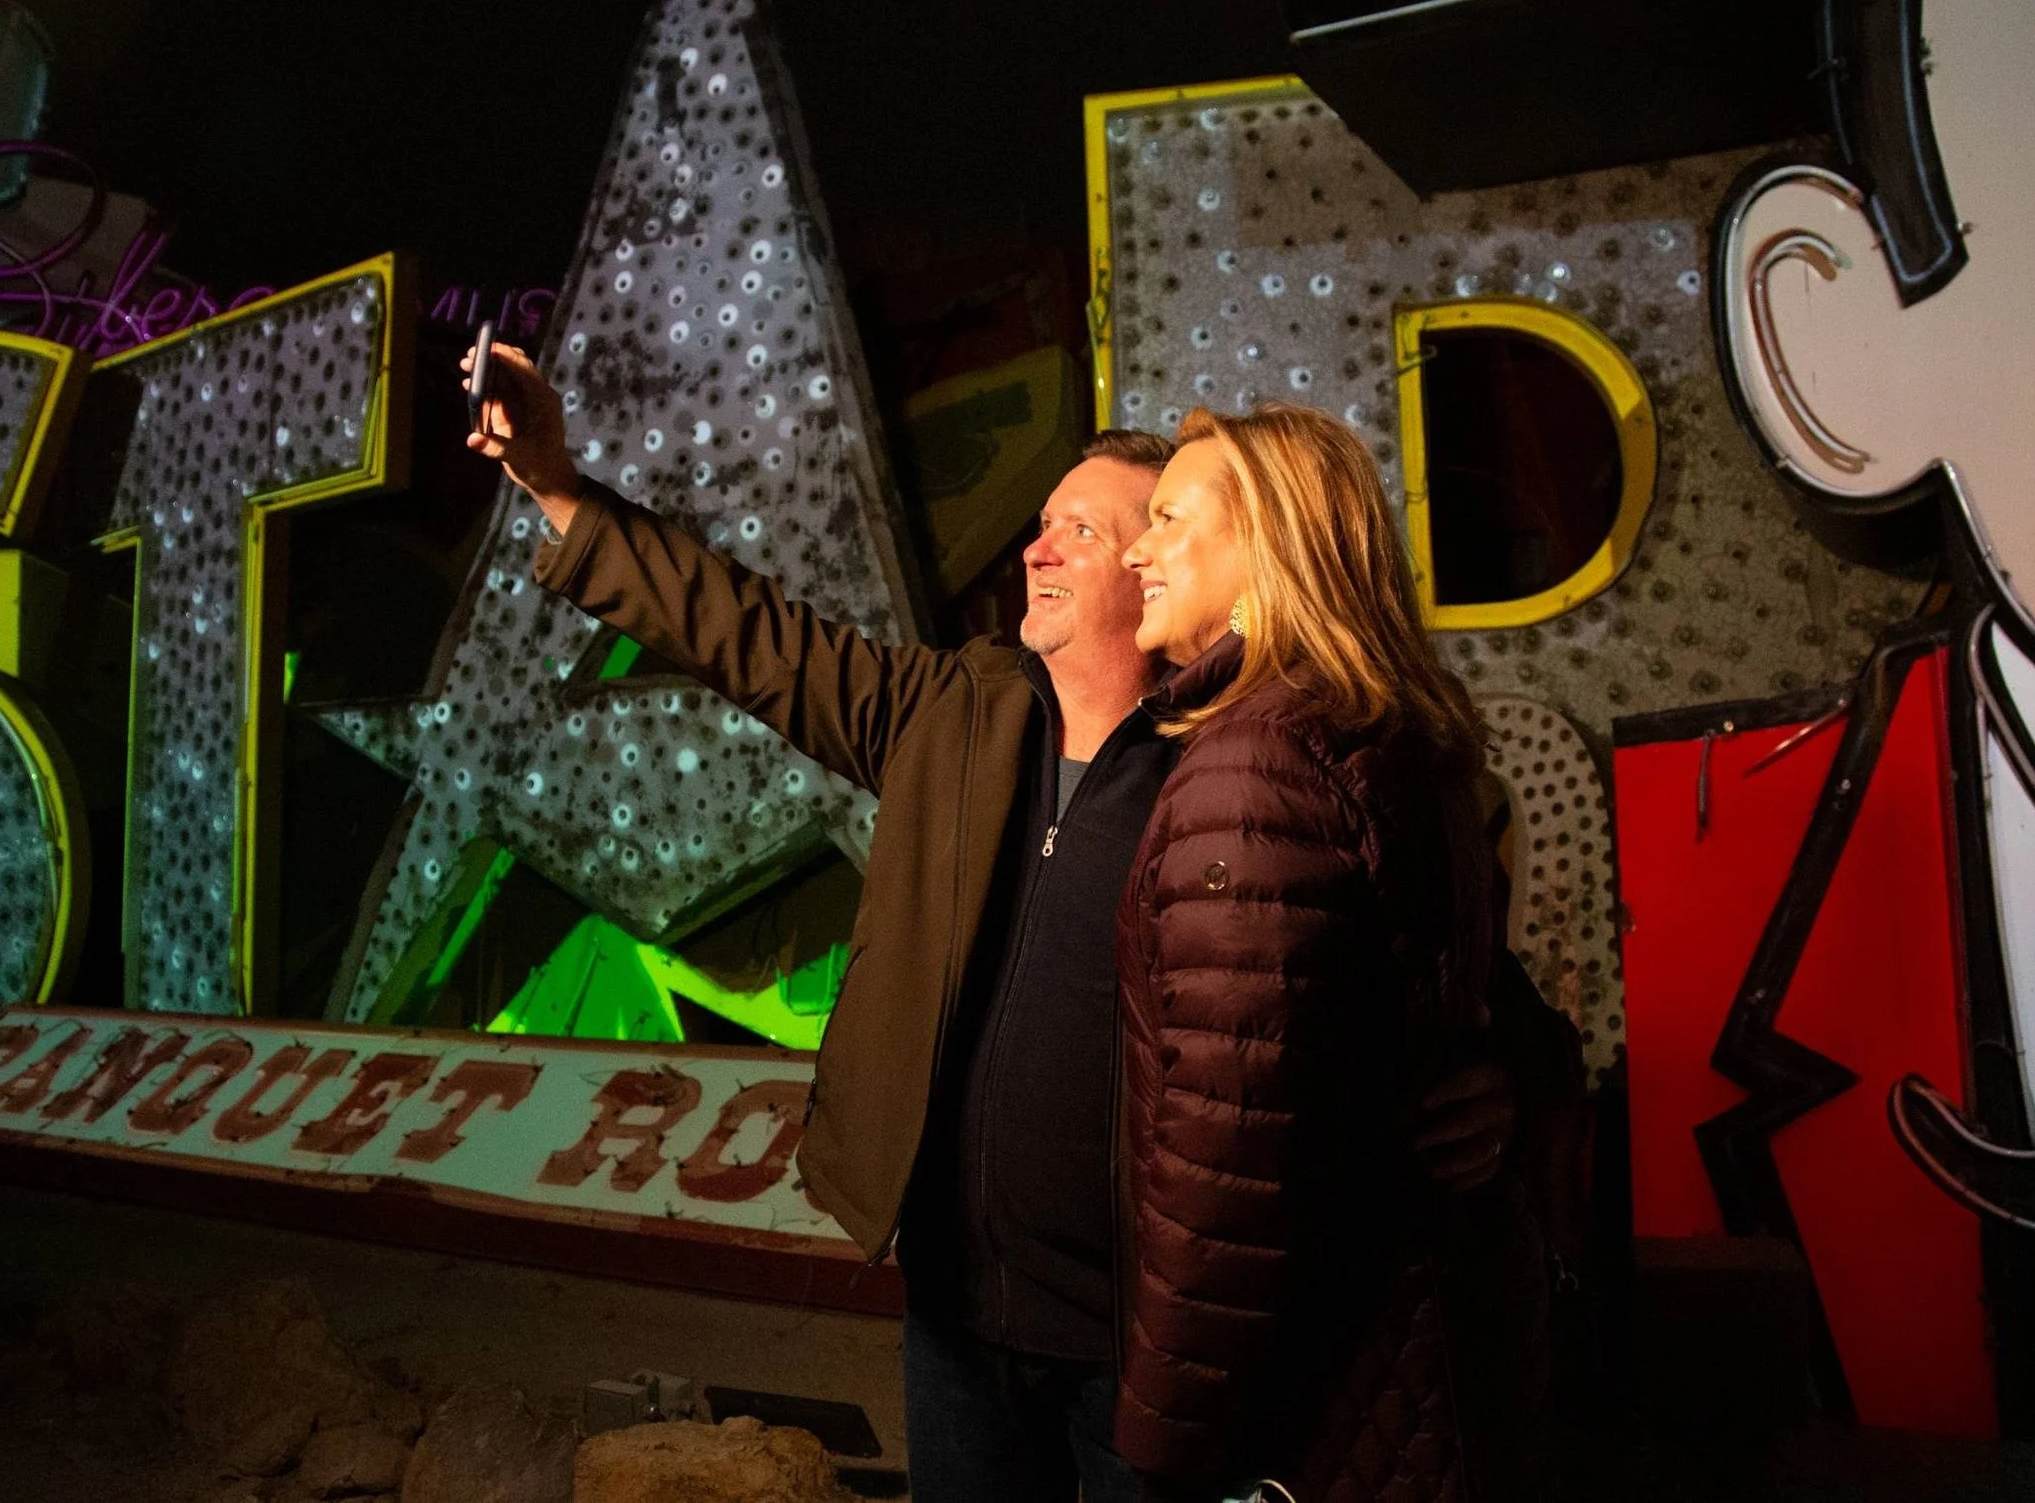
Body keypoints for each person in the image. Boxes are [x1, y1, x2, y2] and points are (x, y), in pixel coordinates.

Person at [464, 345, 1538, 1503]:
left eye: (1084, 528)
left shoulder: (1238, 770)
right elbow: (748, 631)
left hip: (1147, 1349)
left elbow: (1456, 974)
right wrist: (560, 487)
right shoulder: (950, 715)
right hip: (959, 1316)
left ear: (1154, 557)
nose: (1038, 546)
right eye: (1040, 522)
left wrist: (1509, 1080)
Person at [1114, 405, 1555, 1503]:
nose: (1135, 550)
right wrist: (1512, 1080)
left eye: (1168, 518)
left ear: (1270, 546)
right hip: (1429, 1371)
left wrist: (1162, 1445)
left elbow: (1224, 1155)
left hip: (1320, 1397)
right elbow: (1474, 1007)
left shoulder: (1249, 772)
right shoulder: (1380, 740)